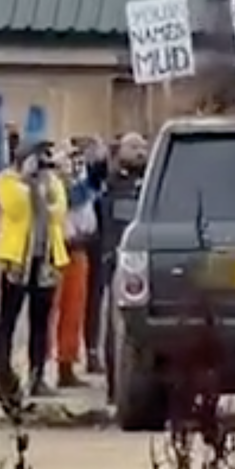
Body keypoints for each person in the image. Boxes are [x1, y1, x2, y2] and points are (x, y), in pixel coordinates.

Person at [0, 139, 70, 397]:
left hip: (45, 259)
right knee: (8, 320)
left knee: (40, 322)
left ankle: (37, 376)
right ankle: (1, 371)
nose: (42, 162)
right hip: (17, 260)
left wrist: (43, 182)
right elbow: (16, 208)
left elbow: (59, 211)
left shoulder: (52, 181)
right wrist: (30, 182)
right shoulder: (7, 179)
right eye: (37, 156)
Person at [86, 132, 148, 373]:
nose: (140, 151)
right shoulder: (109, 181)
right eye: (133, 146)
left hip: (141, 262)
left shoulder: (150, 184)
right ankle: (112, 376)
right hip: (113, 258)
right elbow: (92, 179)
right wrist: (98, 159)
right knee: (114, 322)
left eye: (143, 147)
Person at [52, 143, 98, 387]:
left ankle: (66, 363)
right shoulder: (53, 186)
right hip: (57, 250)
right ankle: (40, 367)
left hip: (79, 249)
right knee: (52, 312)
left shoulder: (84, 187)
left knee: (74, 311)